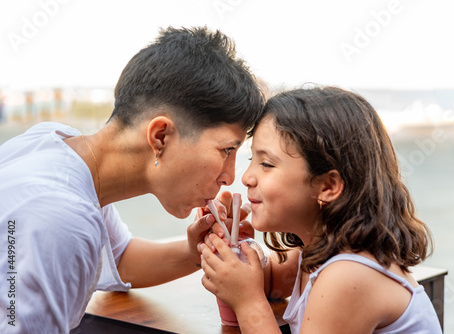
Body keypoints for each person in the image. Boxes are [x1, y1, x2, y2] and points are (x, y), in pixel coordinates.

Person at [0, 26, 264, 333]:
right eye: (226, 150)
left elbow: (119, 259)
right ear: (160, 135)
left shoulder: (54, 144)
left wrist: (195, 251)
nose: (230, 176)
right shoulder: (62, 216)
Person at [200, 86, 443, 333]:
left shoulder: (348, 275)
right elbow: (270, 282)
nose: (247, 177)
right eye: (251, 159)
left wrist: (248, 303)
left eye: (266, 163)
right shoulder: (316, 255)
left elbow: (252, 296)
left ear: (328, 186)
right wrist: (234, 246)